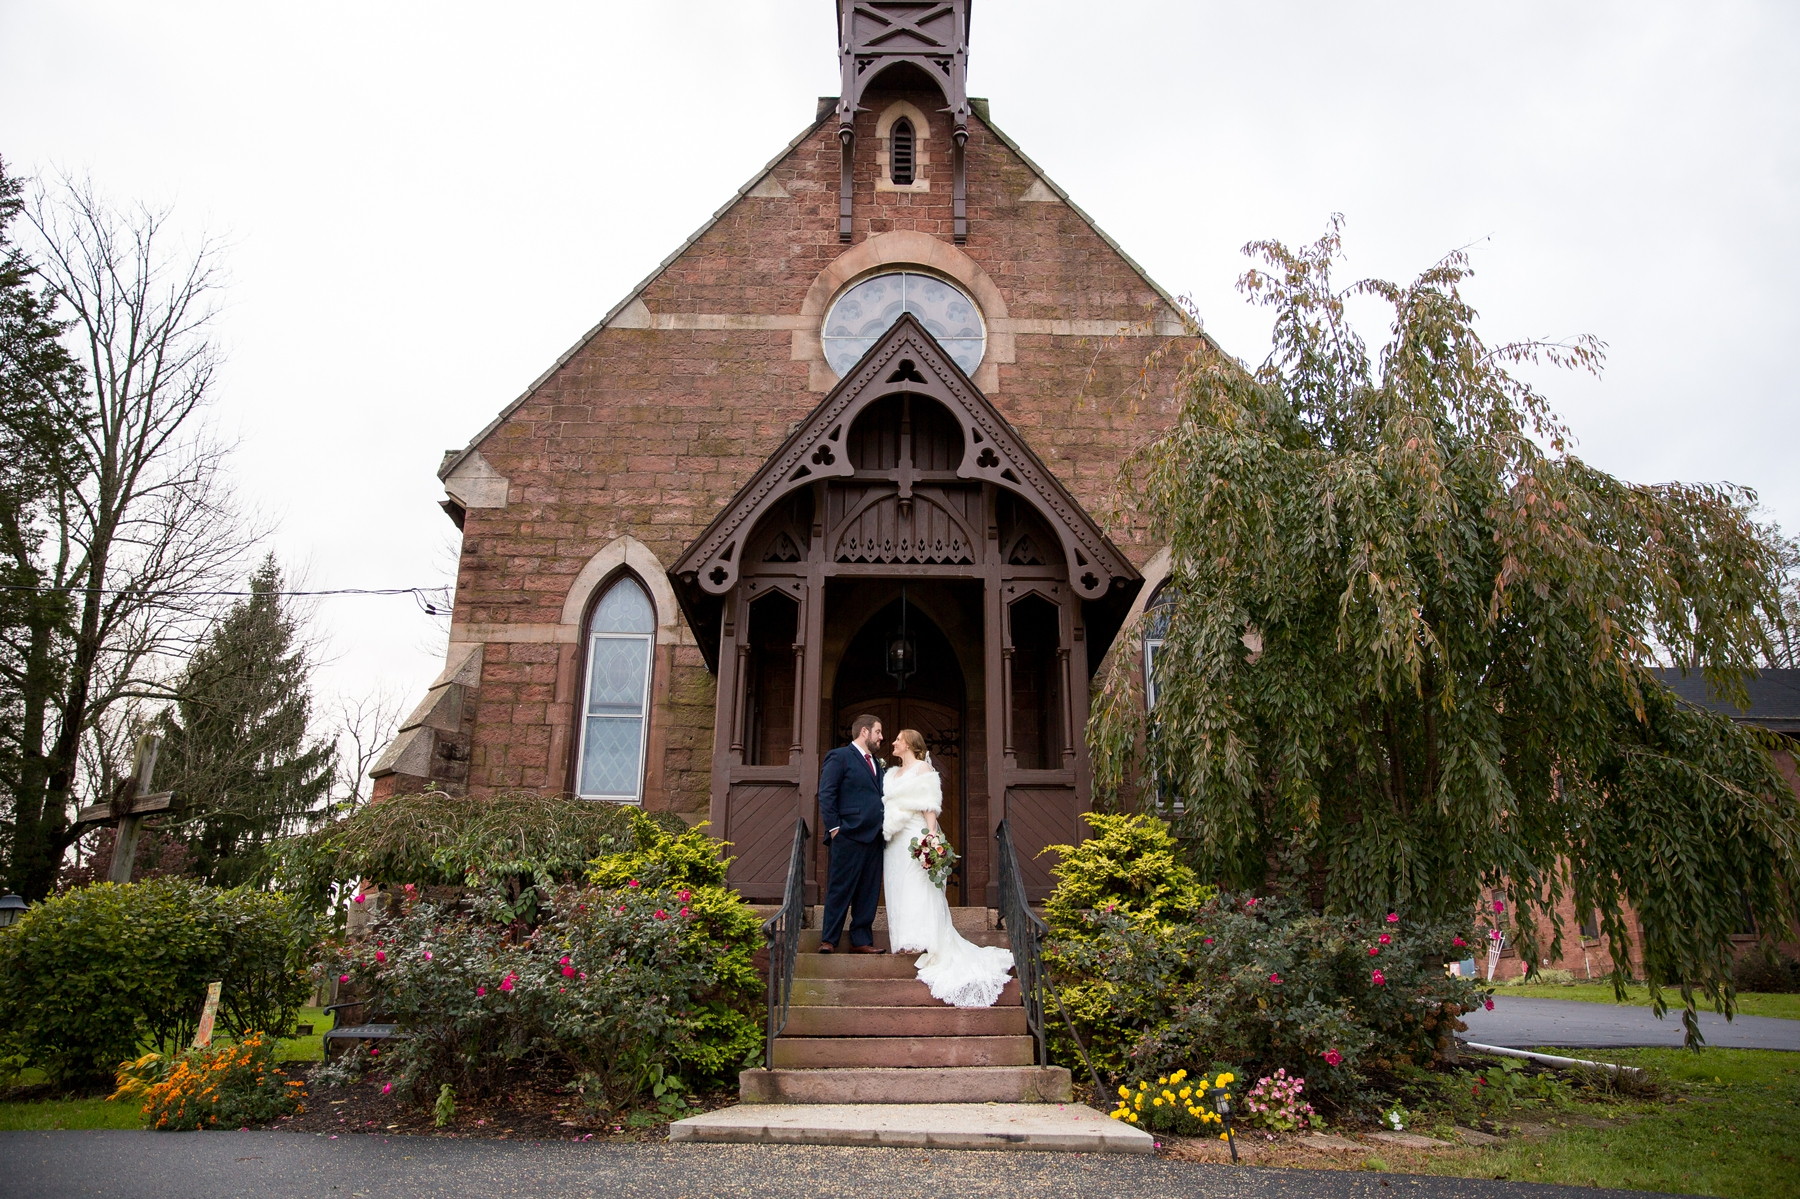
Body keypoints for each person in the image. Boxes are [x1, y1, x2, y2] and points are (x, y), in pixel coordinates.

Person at [880, 728, 1015, 1007]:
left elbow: (929, 805)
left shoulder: (923, 770)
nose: (893, 742)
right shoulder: (891, 774)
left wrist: (931, 836)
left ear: (910, 744)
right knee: (898, 886)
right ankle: (905, 939)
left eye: (898, 739)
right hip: (894, 837)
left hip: (915, 834)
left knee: (918, 885)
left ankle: (926, 939)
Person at [815, 713, 886, 954]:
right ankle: (829, 939)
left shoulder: (877, 764)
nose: (881, 737)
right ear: (864, 732)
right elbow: (826, 793)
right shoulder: (840, 756)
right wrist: (835, 828)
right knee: (840, 888)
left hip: (875, 837)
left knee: (868, 890)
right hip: (848, 834)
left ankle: (861, 940)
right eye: (878, 732)